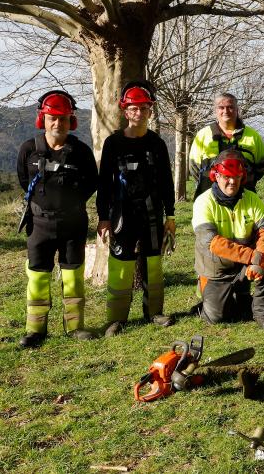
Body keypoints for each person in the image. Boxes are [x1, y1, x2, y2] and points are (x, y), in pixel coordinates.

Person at [16, 90, 97, 347]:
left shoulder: (81, 151)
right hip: (39, 224)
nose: (57, 123)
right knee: (38, 276)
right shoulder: (29, 149)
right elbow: (22, 179)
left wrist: (71, 204)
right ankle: (35, 330)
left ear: (70, 120)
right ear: (43, 119)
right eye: (52, 118)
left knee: (73, 276)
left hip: (73, 224)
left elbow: (92, 183)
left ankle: (75, 326)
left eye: (63, 118)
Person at [97, 81, 176, 336]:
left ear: (150, 111)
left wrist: (171, 215)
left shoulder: (157, 143)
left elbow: (166, 181)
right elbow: (104, 184)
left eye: (143, 108)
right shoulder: (113, 143)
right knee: (121, 264)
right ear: (125, 111)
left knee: (153, 264)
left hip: (152, 213)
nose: (138, 113)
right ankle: (116, 318)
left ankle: (154, 312)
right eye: (133, 109)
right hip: (122, 214)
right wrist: (103, 217)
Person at [192, 151, 264, 327]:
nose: (232, 182)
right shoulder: (203, 202)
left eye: (237, 177)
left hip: (244, 265)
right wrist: (252, 256)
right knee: (217, 317)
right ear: (216, 175)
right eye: (226, 177)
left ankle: (262, 313)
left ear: (242, 176)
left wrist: (259, 258)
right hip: (216, 271)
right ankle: (214, 300)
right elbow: (212, 243)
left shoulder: (252, 199)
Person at [189, 93, 264, 198]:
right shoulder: (203, 135)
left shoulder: (253, 136)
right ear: (215, 110)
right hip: (209, 198)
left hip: (244, 198)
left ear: (237, 110)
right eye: (221, 107)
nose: (226, 111)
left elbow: (260, 167)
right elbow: (194, 168)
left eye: (230, 107)